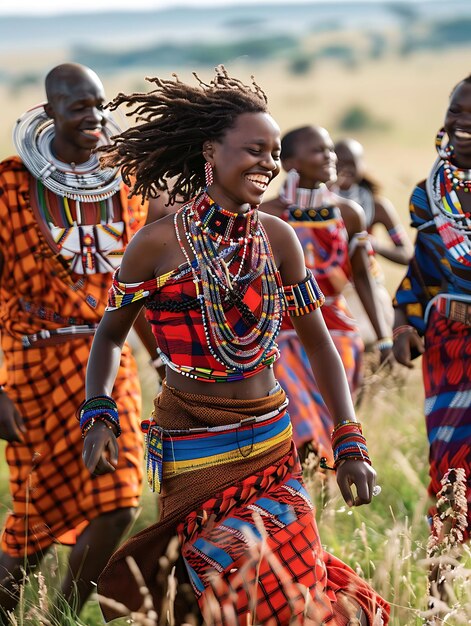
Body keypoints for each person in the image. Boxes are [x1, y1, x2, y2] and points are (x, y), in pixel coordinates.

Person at [82, 67, 389, 626]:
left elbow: (319, 345)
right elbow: (109, 334)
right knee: (222, 594)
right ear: (209, 150)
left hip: (272, 437)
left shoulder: (279, 239)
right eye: (255, 150)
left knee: (297, 589)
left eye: (275, 153)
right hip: (193, 443)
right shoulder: (155, 245)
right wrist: (99, 411)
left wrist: (350, 441)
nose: (269, 165)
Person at [0, 63, 159, 620]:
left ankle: (62, 615)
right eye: (78, 108)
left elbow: (132, 286)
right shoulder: (10, 187)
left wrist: (160, 359)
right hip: (32, 371)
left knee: (120, 499)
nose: (94, 118)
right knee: (33, 523)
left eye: (99, 106)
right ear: (49, 114)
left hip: (107, 364)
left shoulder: (125, 187)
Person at [260, 126, 393, 462]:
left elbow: (362, 278)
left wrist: (383, 337)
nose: (329, 157)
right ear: (290, 162)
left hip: (338, 334)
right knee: (300, 427)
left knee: (336, 424)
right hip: (284, 333)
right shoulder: (269, 214)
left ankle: (326, 496)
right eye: (318, 151)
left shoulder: (349, 213)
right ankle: (310, 492)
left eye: (330, 149)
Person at [393, 74, 471, 545]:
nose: (463, 123)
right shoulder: (429, 193)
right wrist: (405, 323)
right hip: (450, 344)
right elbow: (424, 269)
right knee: (450, 465)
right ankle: (438, 599)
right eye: (456, 112)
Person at [334, 138, 413, 349]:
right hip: (331, 292)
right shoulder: (318, 205)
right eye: (337, 163)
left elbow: (406, 253)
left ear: (363, 165)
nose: (344, 169)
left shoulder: (377, 206)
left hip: (369, 288)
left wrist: (374, 245)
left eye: (351, 163)